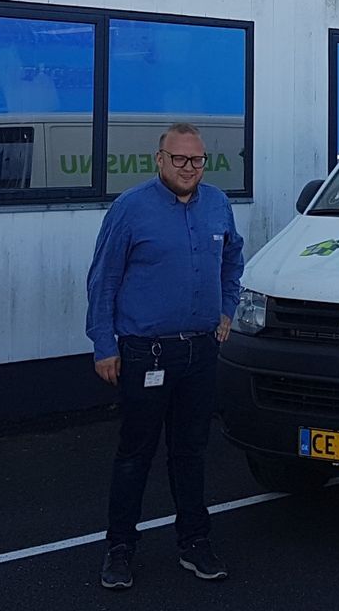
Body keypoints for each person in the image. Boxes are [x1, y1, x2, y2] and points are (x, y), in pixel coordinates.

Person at [86, 122, 245, 591]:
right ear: (159, 160)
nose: (188, 168)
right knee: (135, 454)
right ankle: (119, 550)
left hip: (200, 351)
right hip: (143, 353)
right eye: (179, 159)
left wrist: (227, 308)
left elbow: (233, 260)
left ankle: (195, 543)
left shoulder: (217, 204)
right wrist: (104, 345)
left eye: (196, 160)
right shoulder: (130, 209)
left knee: (192, 452)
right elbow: (103, 280)